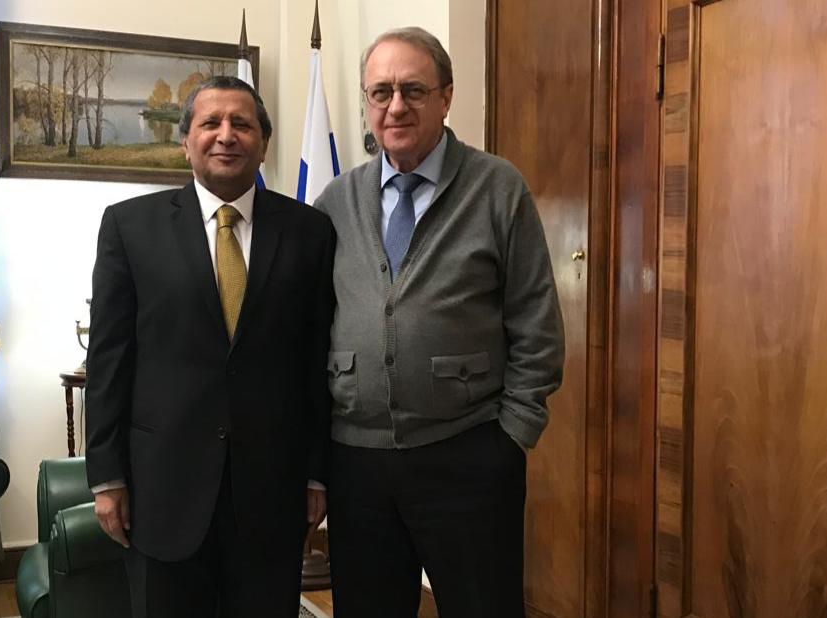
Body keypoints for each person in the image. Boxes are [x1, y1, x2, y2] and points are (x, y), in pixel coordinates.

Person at [314, 27, 565, 618]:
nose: (396, 106)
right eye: (380, 92)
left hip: (469, 453)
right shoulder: (335, 201)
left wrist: (512, 436)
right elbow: (314, 324)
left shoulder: (497, 188)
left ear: (446, 97)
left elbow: (536, 321)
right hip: (357, 463)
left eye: (413, 90)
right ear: (366, 102)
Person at [84, 75, 335, 618]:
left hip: (272, 491)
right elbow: (108, 361)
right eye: (210, 123)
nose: (226, 135)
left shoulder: (310, 232)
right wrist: (106, 477)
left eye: (242, 124)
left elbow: (317, 362)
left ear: (263, 143)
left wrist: (317, 472)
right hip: (161, 490)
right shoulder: (130, 227)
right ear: (186, 140)